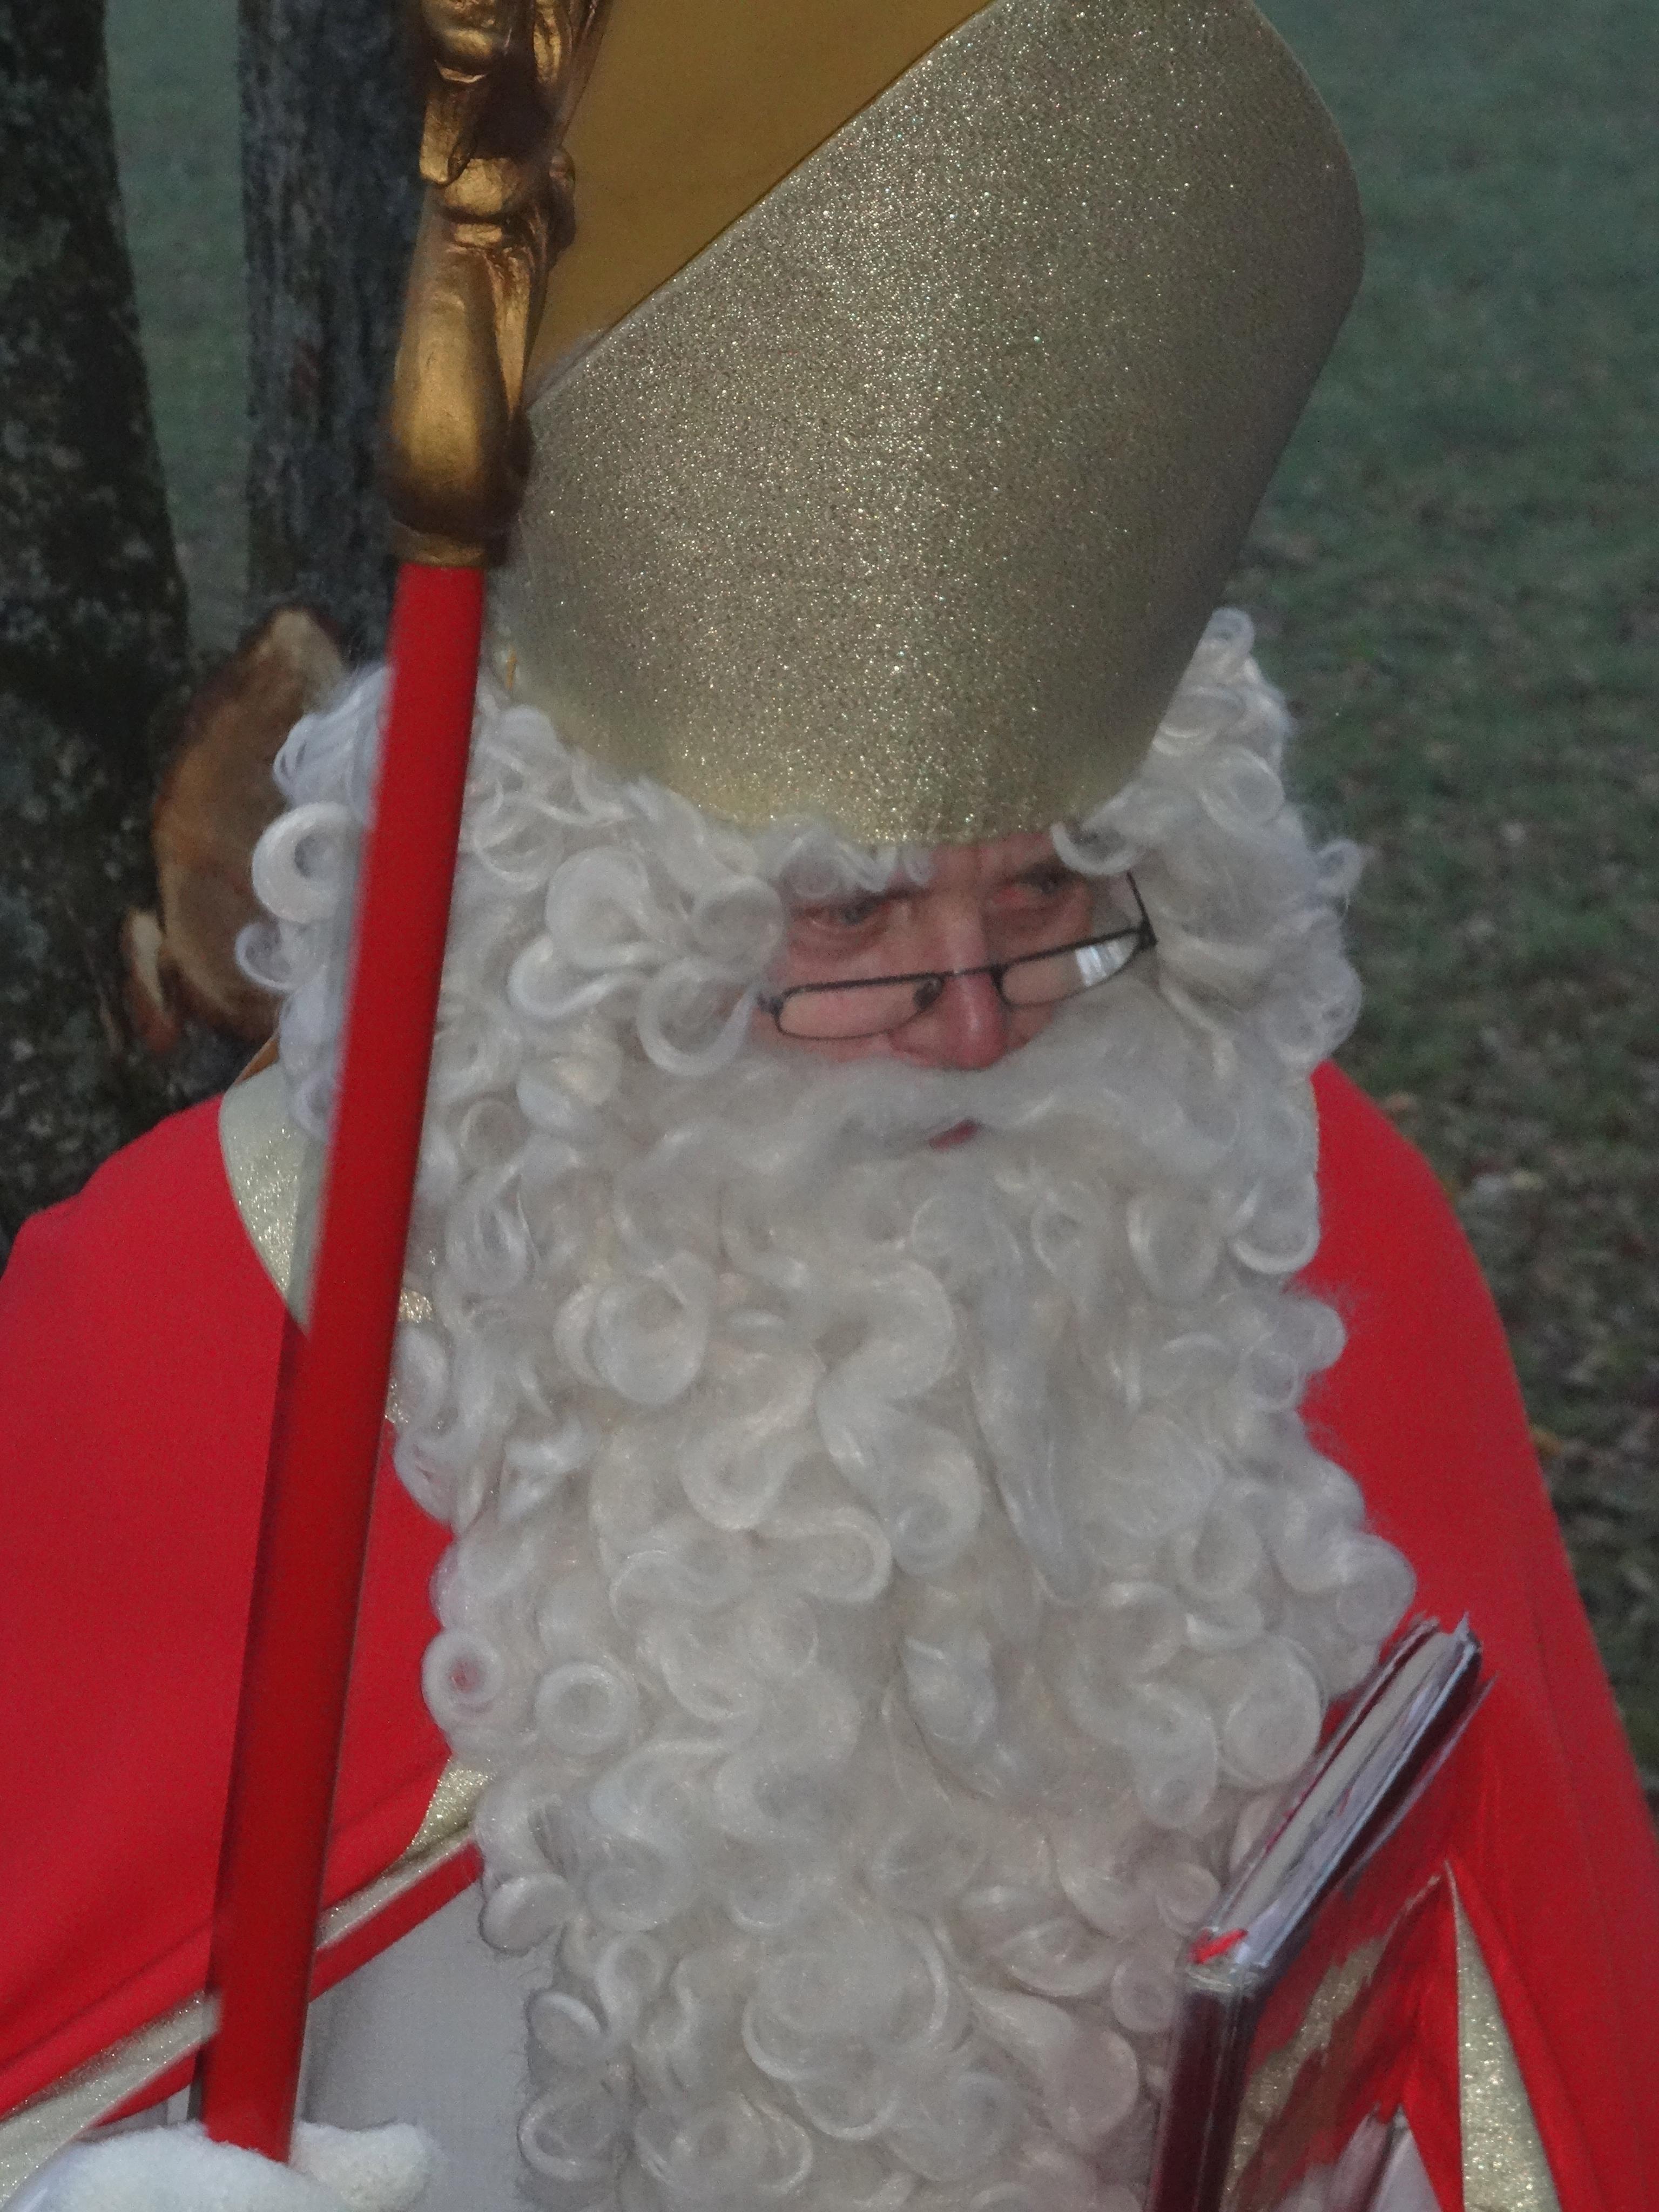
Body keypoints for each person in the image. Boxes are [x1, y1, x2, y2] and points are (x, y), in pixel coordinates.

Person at [3, 3, 1657, 2209]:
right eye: (854, 916)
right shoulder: (184, 1329)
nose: (976, 1021)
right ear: (598, 932)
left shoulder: (1280, 1229)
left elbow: (1529, 2023)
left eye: (1055, 897)